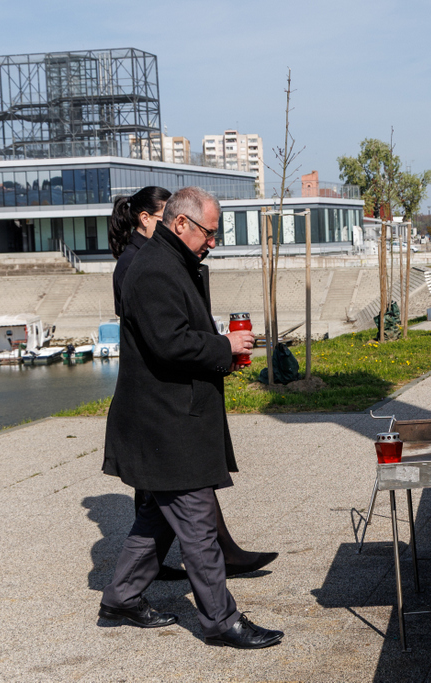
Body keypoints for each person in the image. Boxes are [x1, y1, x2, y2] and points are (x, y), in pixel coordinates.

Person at [98, 187, 283, 648]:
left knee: (159, 518)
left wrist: (220, 348)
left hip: (170, 418)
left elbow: (175, 334)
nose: (213, 242)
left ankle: (121, 598)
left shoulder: (169, 262)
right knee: (197, 524)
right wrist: (224, 346)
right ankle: (221, 621)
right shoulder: (153, 269)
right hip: (165, 422)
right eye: (209, 232)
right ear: (180, 223)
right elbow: (169, 343)